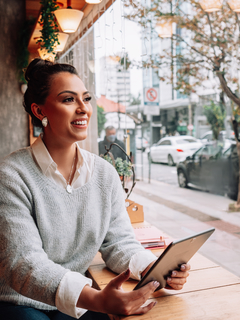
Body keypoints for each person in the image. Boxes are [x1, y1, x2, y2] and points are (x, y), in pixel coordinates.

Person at [0, 58, 190, 320]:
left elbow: (119, 242)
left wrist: (154, 269)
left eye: (86, 99)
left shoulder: (104, 173)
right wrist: (99, 300)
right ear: (39, 110)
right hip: (22, 302)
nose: (83, 109)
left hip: (77, 300)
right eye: (68, 100)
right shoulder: (11, 174)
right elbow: (23, 264)